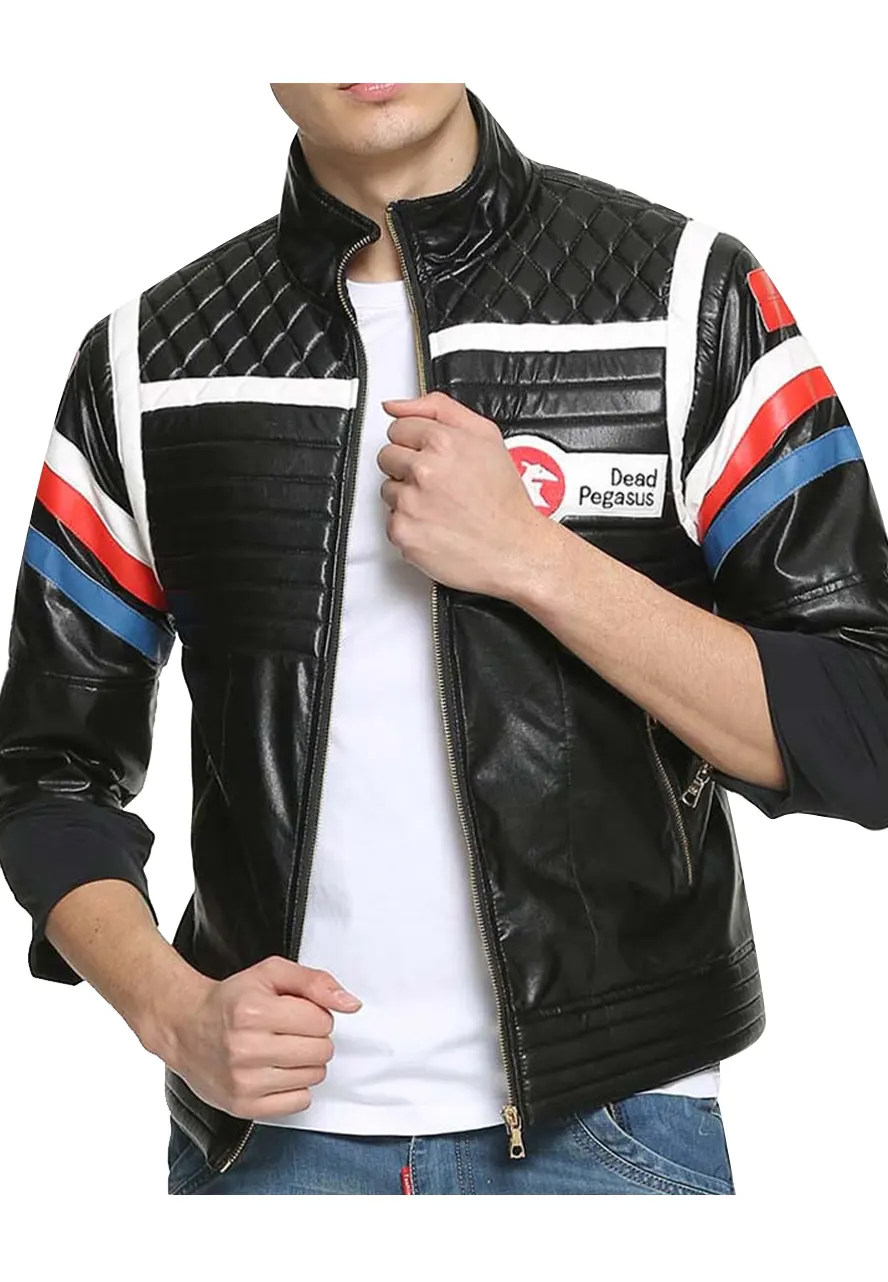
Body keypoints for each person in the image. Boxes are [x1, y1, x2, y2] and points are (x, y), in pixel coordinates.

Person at [1, 83, 887, 1197]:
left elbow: (865, 722)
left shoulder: (687, 296)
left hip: (612, 1133)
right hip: (269, 1145)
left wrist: (533, 557)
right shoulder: (150, 358)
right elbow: (45, 773)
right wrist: (172, 1013)